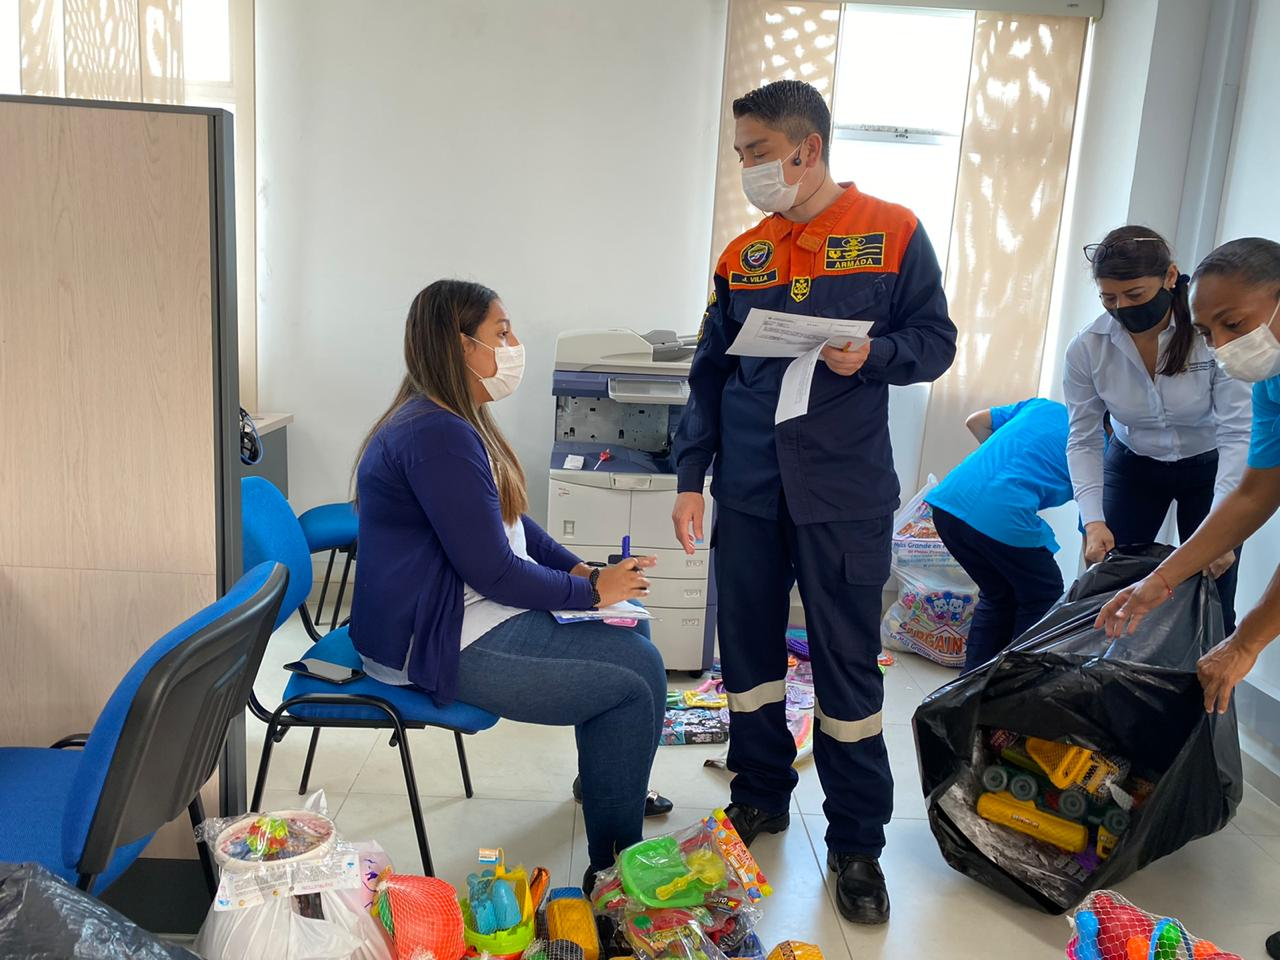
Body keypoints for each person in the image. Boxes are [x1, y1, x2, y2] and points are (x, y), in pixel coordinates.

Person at [671, 79, 956, 925]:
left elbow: (935, 345)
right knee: (750, 663)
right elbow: (709, 377)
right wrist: (692, 479)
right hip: (752, 490)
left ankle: (857, 844)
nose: (750, 169)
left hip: (842, 492)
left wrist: (868, 354)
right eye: (742, 157)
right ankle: (758, 793)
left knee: (844, 671)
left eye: (758, 154)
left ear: (808, 148)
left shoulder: (892, 233)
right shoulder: (743, 256)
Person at [349, 279, 665, 891]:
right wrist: (590, 592)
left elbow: (515, 523)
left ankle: (609, 781)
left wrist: (584, 574)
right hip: (440, 637)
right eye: (501, 333)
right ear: (460, 345)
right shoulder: (435, 434)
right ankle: (614, 871)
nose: (514, 344)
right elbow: (492, 570)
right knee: (635, 677)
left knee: (634, 629)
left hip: (460, 609)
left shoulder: (452, 418)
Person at [1088, 238, 1280, 960]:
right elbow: (1258, 492)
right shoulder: (1273, 383)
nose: (1224, 345)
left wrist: (1246, 640)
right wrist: (1157, 580)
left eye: (1235, 323)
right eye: (1211, 330)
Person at [1063, 226, 1251, 633]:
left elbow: (1239, 434)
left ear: (1170, 277)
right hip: (1134, 466)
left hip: (1211, 468)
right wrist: (1092, 520)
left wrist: (1221, 527)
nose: (1123, 308)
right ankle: (1100, 690)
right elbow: (1083, 435)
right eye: (1109, 298)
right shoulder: (1088, 347)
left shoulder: (1208, 338)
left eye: (1135, 295)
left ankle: (1207, 692)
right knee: (1106, 586)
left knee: (1216, 589)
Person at [925, 398, 1072, 673]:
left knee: (998, 594)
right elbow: (1094, 530)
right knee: (1043, 594)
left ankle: (969, 688)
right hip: (999, 515)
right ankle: (1013, 685)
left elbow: (976, 421)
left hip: (950, 504)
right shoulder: (1099, 448)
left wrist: (999, 474)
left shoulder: (1043, 407)